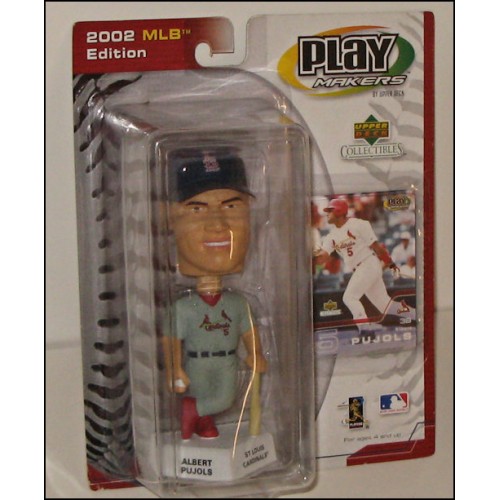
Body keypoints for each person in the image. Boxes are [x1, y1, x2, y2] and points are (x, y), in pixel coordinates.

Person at [162, 147, 267, 440]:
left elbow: (248, 332)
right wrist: (174, 368)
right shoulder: (184, 306)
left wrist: (256, 354)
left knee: (225, 397)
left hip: (227, 361)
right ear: (168, 217)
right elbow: (171, 340)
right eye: (197, 209)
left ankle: (197, 416)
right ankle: (196, 415)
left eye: (231, 207)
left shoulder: (237, 302)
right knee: (211, 397)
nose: (218, 225)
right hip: (196, 362)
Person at [314, 197, 413, 340]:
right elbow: (322, 257)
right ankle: (415, 314)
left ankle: (365, 329)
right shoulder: (331, 236)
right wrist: (310, 255)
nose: (327, 214)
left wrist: (390, 264)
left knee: (349, 297)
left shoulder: (359, 224)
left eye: (330, 210)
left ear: (339, 211)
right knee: (384, 305)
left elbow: (377, 247)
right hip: (361, 269)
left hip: (368, 263)